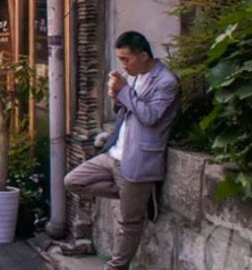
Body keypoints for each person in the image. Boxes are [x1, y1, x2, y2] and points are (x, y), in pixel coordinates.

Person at [64, 31, 179, 270]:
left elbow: (150, 116)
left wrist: (124, 91)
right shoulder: (133, 76)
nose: (123, 65)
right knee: (73, 181)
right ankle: (137, 197)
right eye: (120, 59)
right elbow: (127, 112)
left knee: (128, 223)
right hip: (114, 154)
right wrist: (118, 99)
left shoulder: (166, 82)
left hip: (139, 159)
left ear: (144, 56)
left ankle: (116, 267)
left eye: (126, 59)